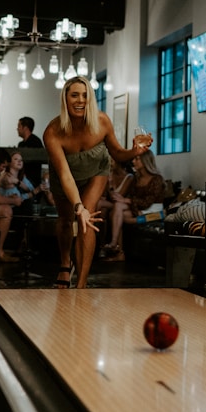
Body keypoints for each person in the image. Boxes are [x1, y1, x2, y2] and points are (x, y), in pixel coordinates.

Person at [43, 76, 152, 289]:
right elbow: (65, 175)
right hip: (65, 176)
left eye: (85, 96)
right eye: (75, 95)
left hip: (96, 171)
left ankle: (81, 284)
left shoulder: (102, 121)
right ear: (65, 98)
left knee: (88, 217)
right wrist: (78, 206)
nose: (80, 100)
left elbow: (118, 153)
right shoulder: (53, 132)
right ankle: (65, 263)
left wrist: (134, 152)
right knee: (66, 220)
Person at [103, 151, 166, 262]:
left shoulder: (157, 179)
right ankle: (117, 249)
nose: (133, 161)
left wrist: (126, 200)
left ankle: (116, 247)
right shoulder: (137, 178)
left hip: (153, 211)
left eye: (137, 159)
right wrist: (120, 197)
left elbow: (147, 202)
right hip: (138, 208)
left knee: (116, 213)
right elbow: (132, 196)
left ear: (145, 161)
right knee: (117, 208)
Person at [17, 116, 44, 186]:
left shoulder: (36, 142)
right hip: (22, 179)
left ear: (25, 128)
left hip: (32, 181)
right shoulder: (21, 144)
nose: (17, 129)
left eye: (19, 126)